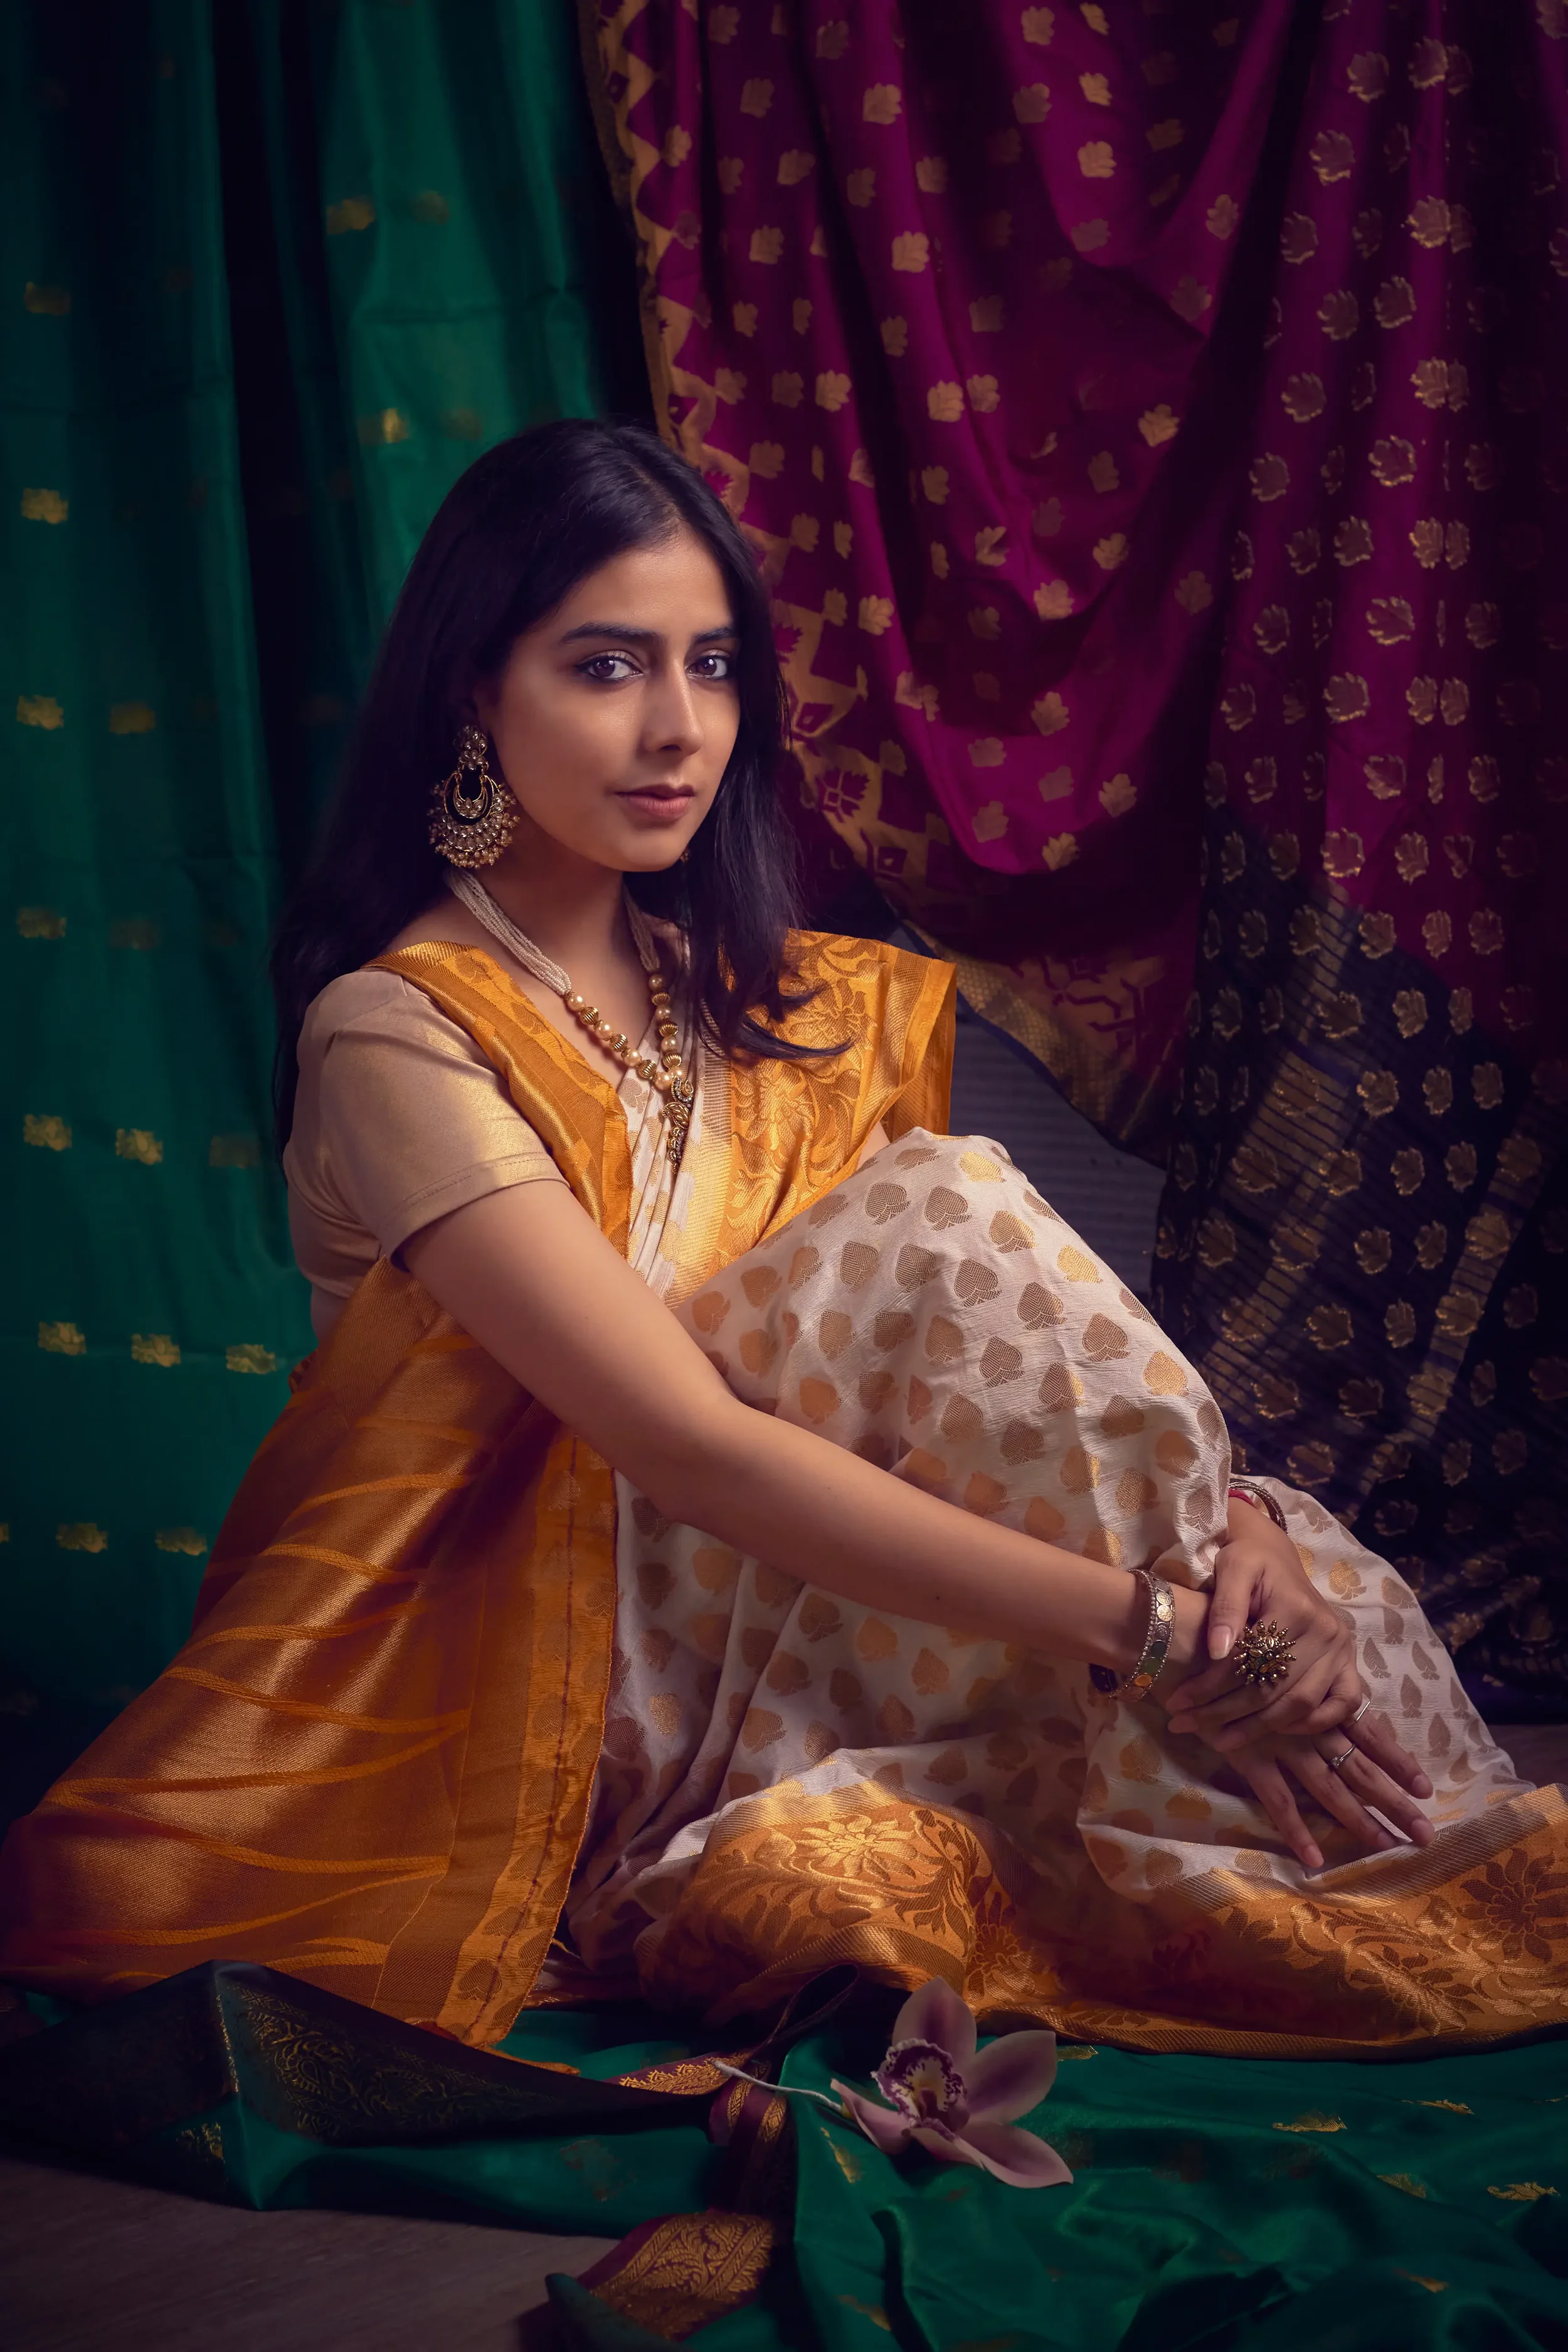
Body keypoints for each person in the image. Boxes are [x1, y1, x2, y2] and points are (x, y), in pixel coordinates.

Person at [2, 422, 1562, 2060]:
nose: (678, 726)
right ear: (472, 689)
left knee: (1254, 1572)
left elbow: (988, 1383)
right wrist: (1164, 1631)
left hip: (815, 1584)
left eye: (713, 666)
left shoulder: (775, 997)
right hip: (541, 1644)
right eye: (606, 666)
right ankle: (1282, 1768)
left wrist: (1236, 1535)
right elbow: (687, 1446)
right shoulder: (401, 1030)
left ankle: (1295, 1756)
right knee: (947, 1217)